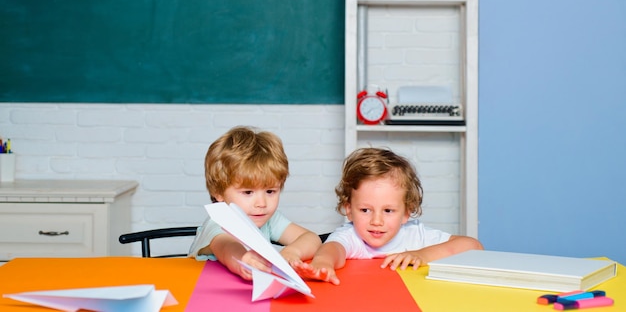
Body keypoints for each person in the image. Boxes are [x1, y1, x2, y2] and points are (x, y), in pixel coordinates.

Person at [293, 147, 483, 285]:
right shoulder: (351, 236)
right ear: (349, 209)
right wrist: (323, 263)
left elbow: (473, 247)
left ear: (406, 213)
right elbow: (333, 249)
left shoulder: (415, 235)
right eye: (365, 210)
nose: (377, 221)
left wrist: (421, 255)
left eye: (388, 211)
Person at [188, 126, 322, 280]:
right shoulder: (217, 222)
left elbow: (311, 238)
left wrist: (292, 252)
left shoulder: (268, 219)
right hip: (205, 293)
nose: (261, 203)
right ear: (218, 192)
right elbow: (226, 247)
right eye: (248, 192)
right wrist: (241, 260)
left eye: (270, 191)